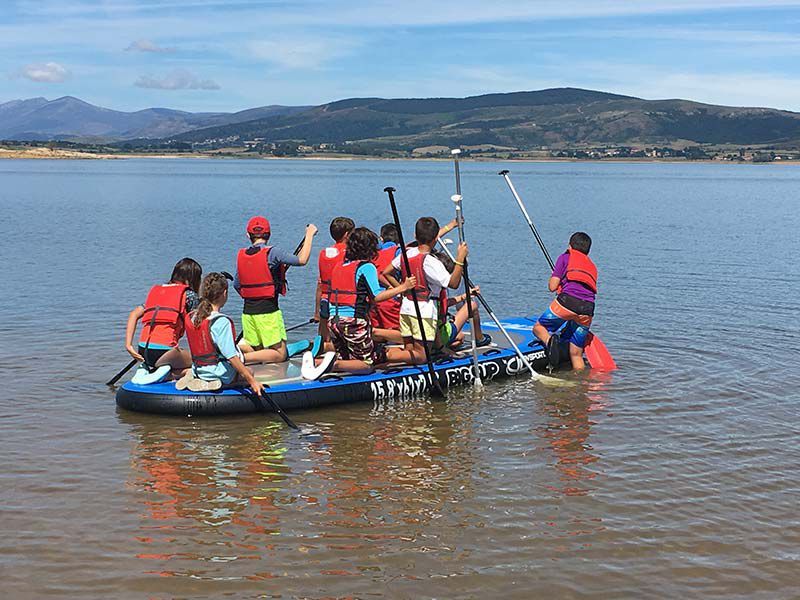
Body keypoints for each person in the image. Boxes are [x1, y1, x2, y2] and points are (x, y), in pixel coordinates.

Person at [302, 227, 416, 379]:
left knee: (348, 358)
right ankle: (329, 364)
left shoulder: (339, 266)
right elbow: (377, 296)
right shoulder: (366, 267)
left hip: (334, 322)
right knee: (367, 365)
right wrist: (403, 287)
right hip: (353, 321)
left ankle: (318, 361)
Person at [381, 217, 468, 366]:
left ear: (415, 236)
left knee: (410, 350)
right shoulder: (431, 262)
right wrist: (460, 259)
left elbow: (386, 272)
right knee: (422, 357)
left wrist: (402, 289)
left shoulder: (406, 253)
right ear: (435, 238)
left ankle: (391, 358)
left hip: (406, 309)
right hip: (424, 312)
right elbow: (453, 283)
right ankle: (383, 355)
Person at [234, 216, 317, 364]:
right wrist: (309, 234)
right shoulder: (273, 253)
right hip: (268, 312)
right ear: (269, 235)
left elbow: (237, 284)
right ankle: (240, 357)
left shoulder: (242, 255)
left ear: (248, 236)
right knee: (280, 355)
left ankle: (238, 350)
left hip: (248, 313)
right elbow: (302, 260)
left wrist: (253, 296)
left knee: (259, 350)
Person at [177, 272, 264, 393]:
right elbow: (231, 357)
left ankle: (197, 377)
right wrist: (251, 381)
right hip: (218, 373)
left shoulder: (193, 316)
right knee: (250, 372)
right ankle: (219, 384)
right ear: (225, 293)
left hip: (199, 369)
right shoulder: (221, 322)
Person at [124, 257, 202, 382]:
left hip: (143, 351)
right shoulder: (190, 295)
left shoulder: (159, 292)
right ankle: (172, 375)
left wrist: (129, 345)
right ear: (192, 279)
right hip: (165, 353)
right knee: (203, 361)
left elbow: (134, 314)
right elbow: (198, 327)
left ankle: (151, 369)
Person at [532, 231, 597, 371]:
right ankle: (580, 386)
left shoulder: (564, 257)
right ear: (588, 251)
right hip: (588, 309)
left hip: (567, 303)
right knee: (576, 354)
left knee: (538, 327)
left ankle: (551, 343)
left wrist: (556, 278)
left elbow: (552, 287)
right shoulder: (591, 265)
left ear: (570, 246)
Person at [431, 250, 491, 352]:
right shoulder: (440, 289)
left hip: (428, 334)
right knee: (472, 305)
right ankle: (479, 338)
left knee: (459, 337)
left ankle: (442, 344)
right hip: (439, 334)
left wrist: (464, 296)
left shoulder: (430, 288)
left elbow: (444, 303)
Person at [314, 217, 355, 344]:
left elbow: (320, 284)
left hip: (325, 299)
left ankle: (321, 353)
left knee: (324, 337)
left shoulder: (323, 253)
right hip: (342, 302)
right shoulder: (350, 253)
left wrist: (316, 312)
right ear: (347, 234)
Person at [371, 223, 403, 343]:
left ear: (382, 238)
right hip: (391, 299)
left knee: (379, 335)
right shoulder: (398, 252)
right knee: (399, 333)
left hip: (374, 301)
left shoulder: (373, 253)